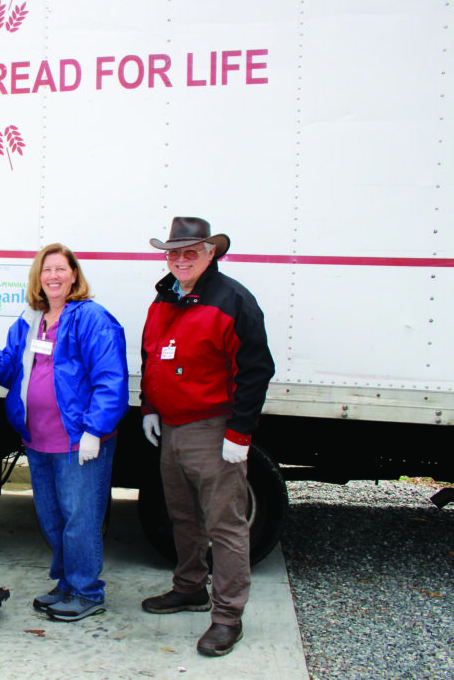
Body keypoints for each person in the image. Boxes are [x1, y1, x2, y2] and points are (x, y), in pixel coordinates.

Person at [0, 243, 128, 622]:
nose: (53, 276)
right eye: (46, 270)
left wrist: (95, 430)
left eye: (61, 269)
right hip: (38, 440)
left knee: (81, 518)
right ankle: (67, 583)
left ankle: (87, 591)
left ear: (74, 275)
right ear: (38, 278)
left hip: (77, 442)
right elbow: (12, 367)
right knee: (52, 518)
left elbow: (111, 379)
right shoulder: (30, 319)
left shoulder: (91, 318)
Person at [139, 217, 275, 657]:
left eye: (190, 252)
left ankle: (227, 617)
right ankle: (190, 587)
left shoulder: (232, 300)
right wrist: (149, 406)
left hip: (214, 429)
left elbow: (256, 370)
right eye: (173, 252)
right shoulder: (164, 299)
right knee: (183, 516)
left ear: (210, 253)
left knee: (226, 524)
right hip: (173, 427)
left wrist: (240, 432)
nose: (180, 260)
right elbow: (152, 357)